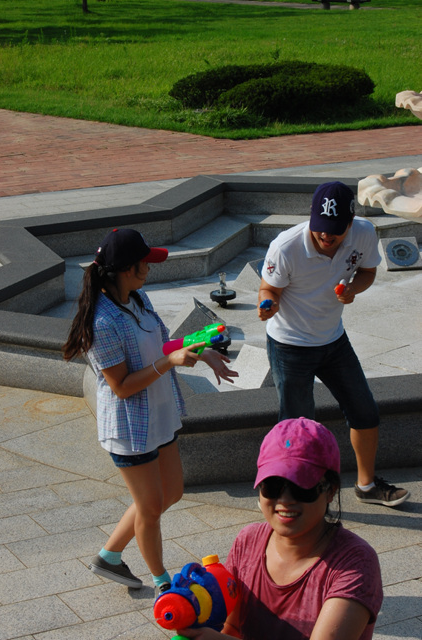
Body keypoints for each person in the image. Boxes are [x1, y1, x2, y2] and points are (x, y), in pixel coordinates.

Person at [62, 228, 238, 595]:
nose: (149, 267)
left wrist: (202, 347)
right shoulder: (101, 323)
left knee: (170, 493)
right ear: (127, 268)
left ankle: (109, 555)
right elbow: (122, 386)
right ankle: (162, 584)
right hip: (130, 428)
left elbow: (164, 344)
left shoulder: (138, 298)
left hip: (159, 413)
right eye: (145, 262)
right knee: (151, 508)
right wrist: (169, 362)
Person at [257, 181, 409, 508]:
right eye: (321, 227)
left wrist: (353, 289)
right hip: (290, 346)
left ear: (351, 222)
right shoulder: (286, 247)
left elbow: (367, 271)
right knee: (297, 426)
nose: (326, 236)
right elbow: (267, 289)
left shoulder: (364, 233)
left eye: (336, 230)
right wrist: (268, 305)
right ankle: (292, 494)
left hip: (333, 340)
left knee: (365, 411)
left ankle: (367, 486)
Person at [177, 417, 384, 640]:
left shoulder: (355, 563)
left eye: (302, 487)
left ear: (331, 491)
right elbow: (232, 628)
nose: (285, 500)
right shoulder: (248, 541)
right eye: (272, 486)